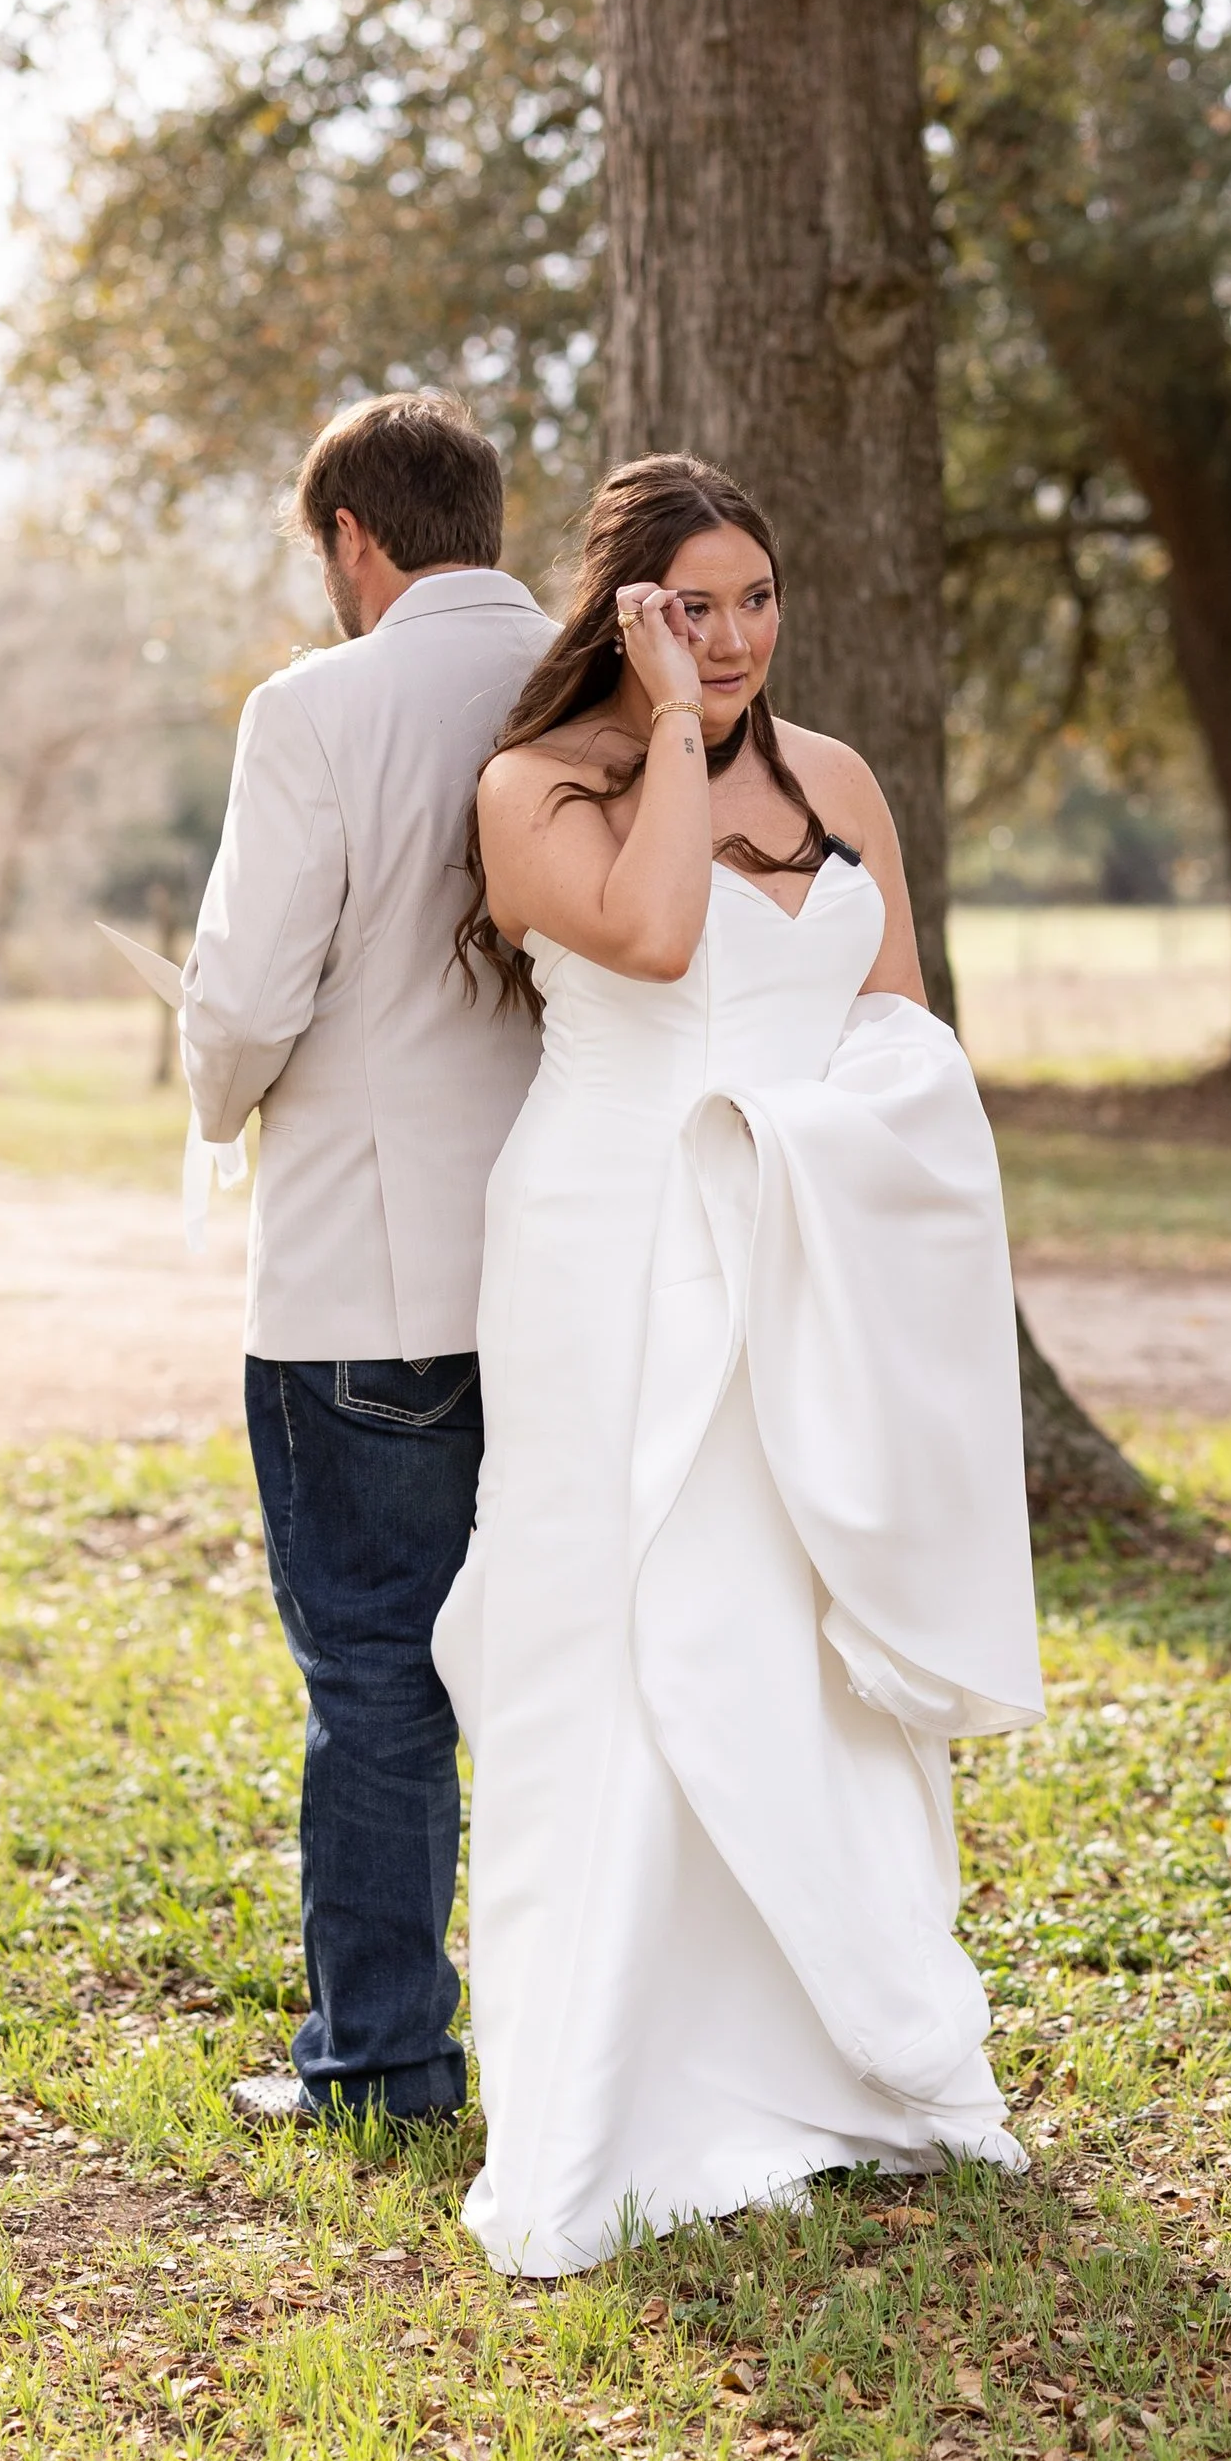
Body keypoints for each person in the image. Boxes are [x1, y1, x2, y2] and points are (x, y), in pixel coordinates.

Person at [434, 454, 1045, 2276]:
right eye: (688, 605)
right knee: (635, 1623)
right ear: (620, 612)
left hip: (803, 1238)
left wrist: (847, 1163)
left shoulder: (840, 779)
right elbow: (658, 935)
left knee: (789, 1614)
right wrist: (680, 734)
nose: (731, 635)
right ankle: (620, 2082)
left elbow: (901, 1021)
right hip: (615, 1233)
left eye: (754, 600)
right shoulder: (533, 785)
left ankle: (838, 2051)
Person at [179, 390, 555, 2123]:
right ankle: (582, 2040)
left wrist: (208, 1082)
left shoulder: (316, 707)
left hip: (369, 1266)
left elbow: (248, 997)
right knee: (568, 1651)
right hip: (577, 1255)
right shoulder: (593, 684)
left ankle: (385, 2060)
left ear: (353, 539)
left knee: (379, 1668)